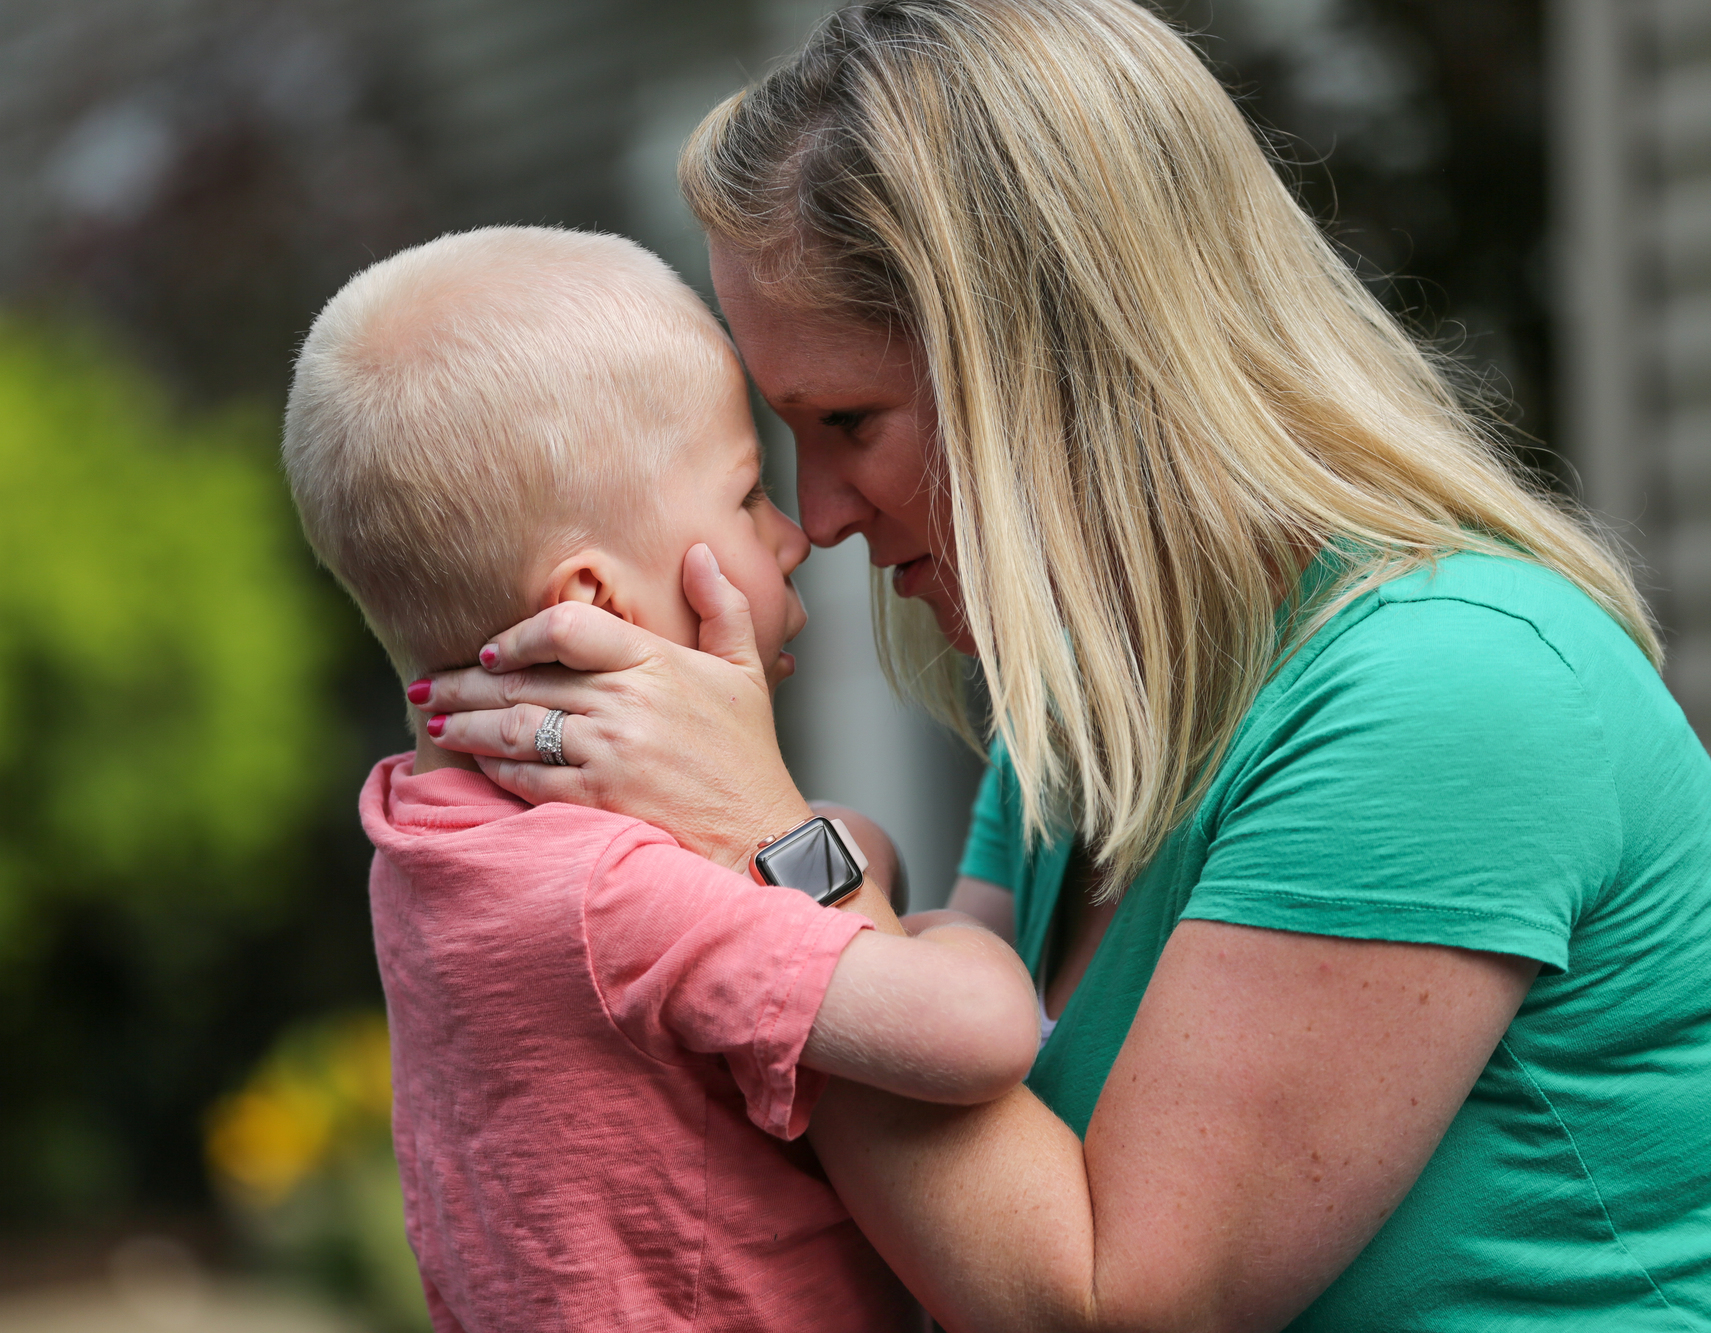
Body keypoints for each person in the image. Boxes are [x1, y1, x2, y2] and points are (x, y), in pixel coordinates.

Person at [409, 3, 1711, 1329]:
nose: (821, 518)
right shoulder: (1095, 722)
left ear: (1063, 365)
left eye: (847, 420)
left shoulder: (1447, 696)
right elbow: (924, 1102)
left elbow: (1103, 1304)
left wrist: (762, 840)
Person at [280, 225, 1042, 1332]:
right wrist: (943, 934)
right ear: (593, 606)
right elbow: (978, 1030)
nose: (792, 534)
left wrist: (816, 843)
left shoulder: (429, 840)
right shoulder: (613, 899)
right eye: (743, 497)